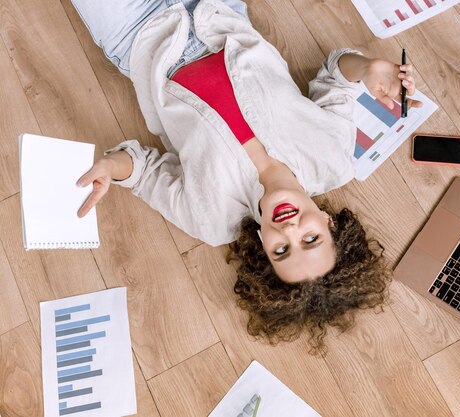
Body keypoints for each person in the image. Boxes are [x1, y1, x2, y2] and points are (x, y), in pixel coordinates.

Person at [72, 0, 421, 353]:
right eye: (311, 238)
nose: (289, 230)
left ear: (263, 251)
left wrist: (111, 167)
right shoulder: (334, 157)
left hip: (137, 35)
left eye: (282, 250)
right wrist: (367, 68)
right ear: (328, 222)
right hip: (217, 11)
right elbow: (336, 74)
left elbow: (146, 173)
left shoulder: (210, 219)